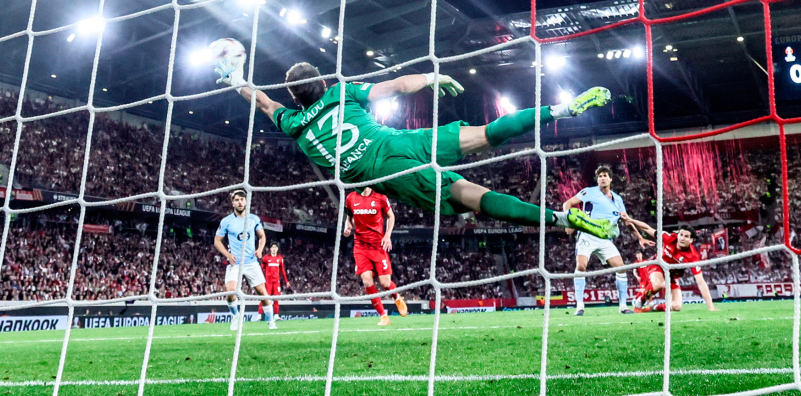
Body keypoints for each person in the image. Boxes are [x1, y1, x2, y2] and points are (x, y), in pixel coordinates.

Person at [213, 51, 615, 238]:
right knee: (487, 133)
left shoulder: (293, 124)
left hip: (392, 175)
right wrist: (433, 78)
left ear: (297, 98)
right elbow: (397, 87)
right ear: (321, 83)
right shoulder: (341, 93)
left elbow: (264, 101)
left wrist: (235, 79)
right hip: (405, 140)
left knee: (475, 197)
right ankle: (561, 108)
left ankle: (562, 220)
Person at [562, 166, 654, 315]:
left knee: (621, 267)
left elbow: (626, 221)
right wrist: (568, 221)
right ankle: (579, 306)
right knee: (581, 266)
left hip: (605, 239)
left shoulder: (618, 200)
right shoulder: (589, 192)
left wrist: (640, 238)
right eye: (599, 176)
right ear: (597, 179)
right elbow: (568, 203)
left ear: (610, 179)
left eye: (605, 176)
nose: (602, 178)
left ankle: (623, 306)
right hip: (586, 234)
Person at [622, 217, 718, 312]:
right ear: (678, 234)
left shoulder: (692, 256)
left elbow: (700, 282)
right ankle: (640, 301)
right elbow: (648, 229)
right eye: (681, 235)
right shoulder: (668, 238)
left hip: (672, 275)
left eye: (686, 236)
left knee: (677, 306)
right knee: (659, 284)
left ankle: (654, 308)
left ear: (691, 240)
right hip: (657, 265)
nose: (682, 238)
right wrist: (631, 220)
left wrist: (711, 307)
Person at [214, 190, 277, 330]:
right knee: (230, 291)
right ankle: (236, 317)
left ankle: (271, 321)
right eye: (237, 200)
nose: (240, 202)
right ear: (233, 203)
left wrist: (260, 250)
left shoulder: (254, 219)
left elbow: (262, 236)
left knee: (262, 292)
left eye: (242, 199)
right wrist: (227, 255)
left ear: (246, 202)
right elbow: (217, 241)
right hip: (235, 263)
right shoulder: (226, 221)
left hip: (251, 262)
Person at [344, 187, 407, 325]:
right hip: (360, 246)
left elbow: (391, 216)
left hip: (378, 246)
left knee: (385, 283)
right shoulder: (350, 198)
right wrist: (347, 226)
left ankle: (396, 297)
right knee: (367, 281)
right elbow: (349, 218)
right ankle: (383, 316)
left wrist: (388, 235)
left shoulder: (380, 197)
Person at [258, 243, 290, 321]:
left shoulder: (280, 258)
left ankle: (276, 315)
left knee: (276, 298)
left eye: (275, 247)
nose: (274, 249)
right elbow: (261, 269)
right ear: (270, 249)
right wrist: (259, 279)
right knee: (265, 298)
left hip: (276, 282)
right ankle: (259, 315)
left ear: (277, 249)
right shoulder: (266, 258)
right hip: (268, 282)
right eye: (272, 247)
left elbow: (282, 271)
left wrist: (286, 281)